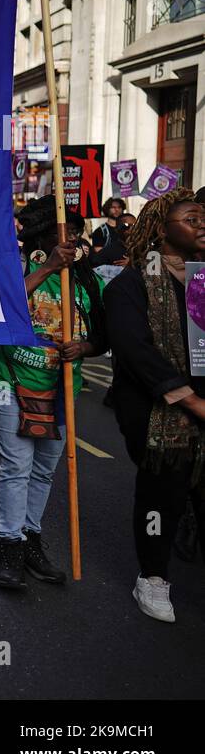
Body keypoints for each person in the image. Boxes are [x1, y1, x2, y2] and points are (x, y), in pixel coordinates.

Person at [0, 195, 107, 590]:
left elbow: (103, 337)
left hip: (61, 387)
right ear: (44, 235)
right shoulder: (18, 266)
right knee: (17, 465)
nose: (72, 239)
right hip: (10, 381)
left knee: (45, 467)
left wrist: (85, 348)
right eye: (63, 232)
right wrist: (50, 267)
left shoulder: (87, 278)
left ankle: (31, 539)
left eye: (75, 232)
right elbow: (4, 310)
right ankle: (11, 547)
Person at [104, 188, 205, 623]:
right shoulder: (132, 282)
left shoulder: (202, 279)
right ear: (162, 230)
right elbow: (135, 350)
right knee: (160, 496)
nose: (202, 225)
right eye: (192, 219)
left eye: (204, 218)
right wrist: (191, 401)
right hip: (155, 414)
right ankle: (153, 577)